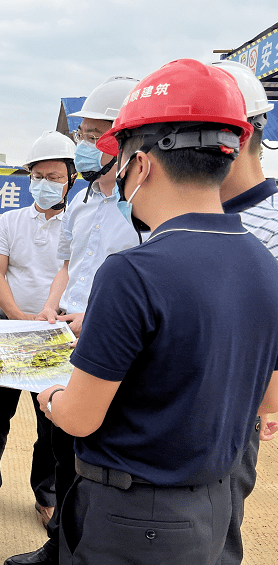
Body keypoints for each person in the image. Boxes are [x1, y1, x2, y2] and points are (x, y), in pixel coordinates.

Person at [38, 57, 278, 565]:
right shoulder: (264, 261)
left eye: (121, 159)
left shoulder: (132, 272)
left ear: (141, 164)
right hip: (215, 511)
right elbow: (269, 398)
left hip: (132, 519)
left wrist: (54, 397)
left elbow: (80, 418)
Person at [9, 76, 140, 565]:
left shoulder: (141, 206)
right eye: (82, 134)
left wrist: (95, 317)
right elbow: (68, 264)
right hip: (67, 340)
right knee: (63, 447)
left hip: (114, 343)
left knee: (103, 457)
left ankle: (90, 550)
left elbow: (146, 285)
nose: (83, 146)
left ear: (121, 139)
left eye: (91, 135)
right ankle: (58, 545)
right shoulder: (81, 201)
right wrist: (51, 303)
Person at [0, 131, 76, 526]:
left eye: (55, 176)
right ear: (28, 178)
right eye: (39, 175)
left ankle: (47, 493)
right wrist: (17, 317)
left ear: (71, 179)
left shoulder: (78, 222)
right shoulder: (10, 220)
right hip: (9, 330)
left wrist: (45, 318)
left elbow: (73, 273)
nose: (45, 183)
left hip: (55, 334)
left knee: (52, 419)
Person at [211, 59, 278, 565]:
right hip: (159, 407)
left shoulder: (272, 224)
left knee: (210, 536)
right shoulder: (182, 211)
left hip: (229, 417)